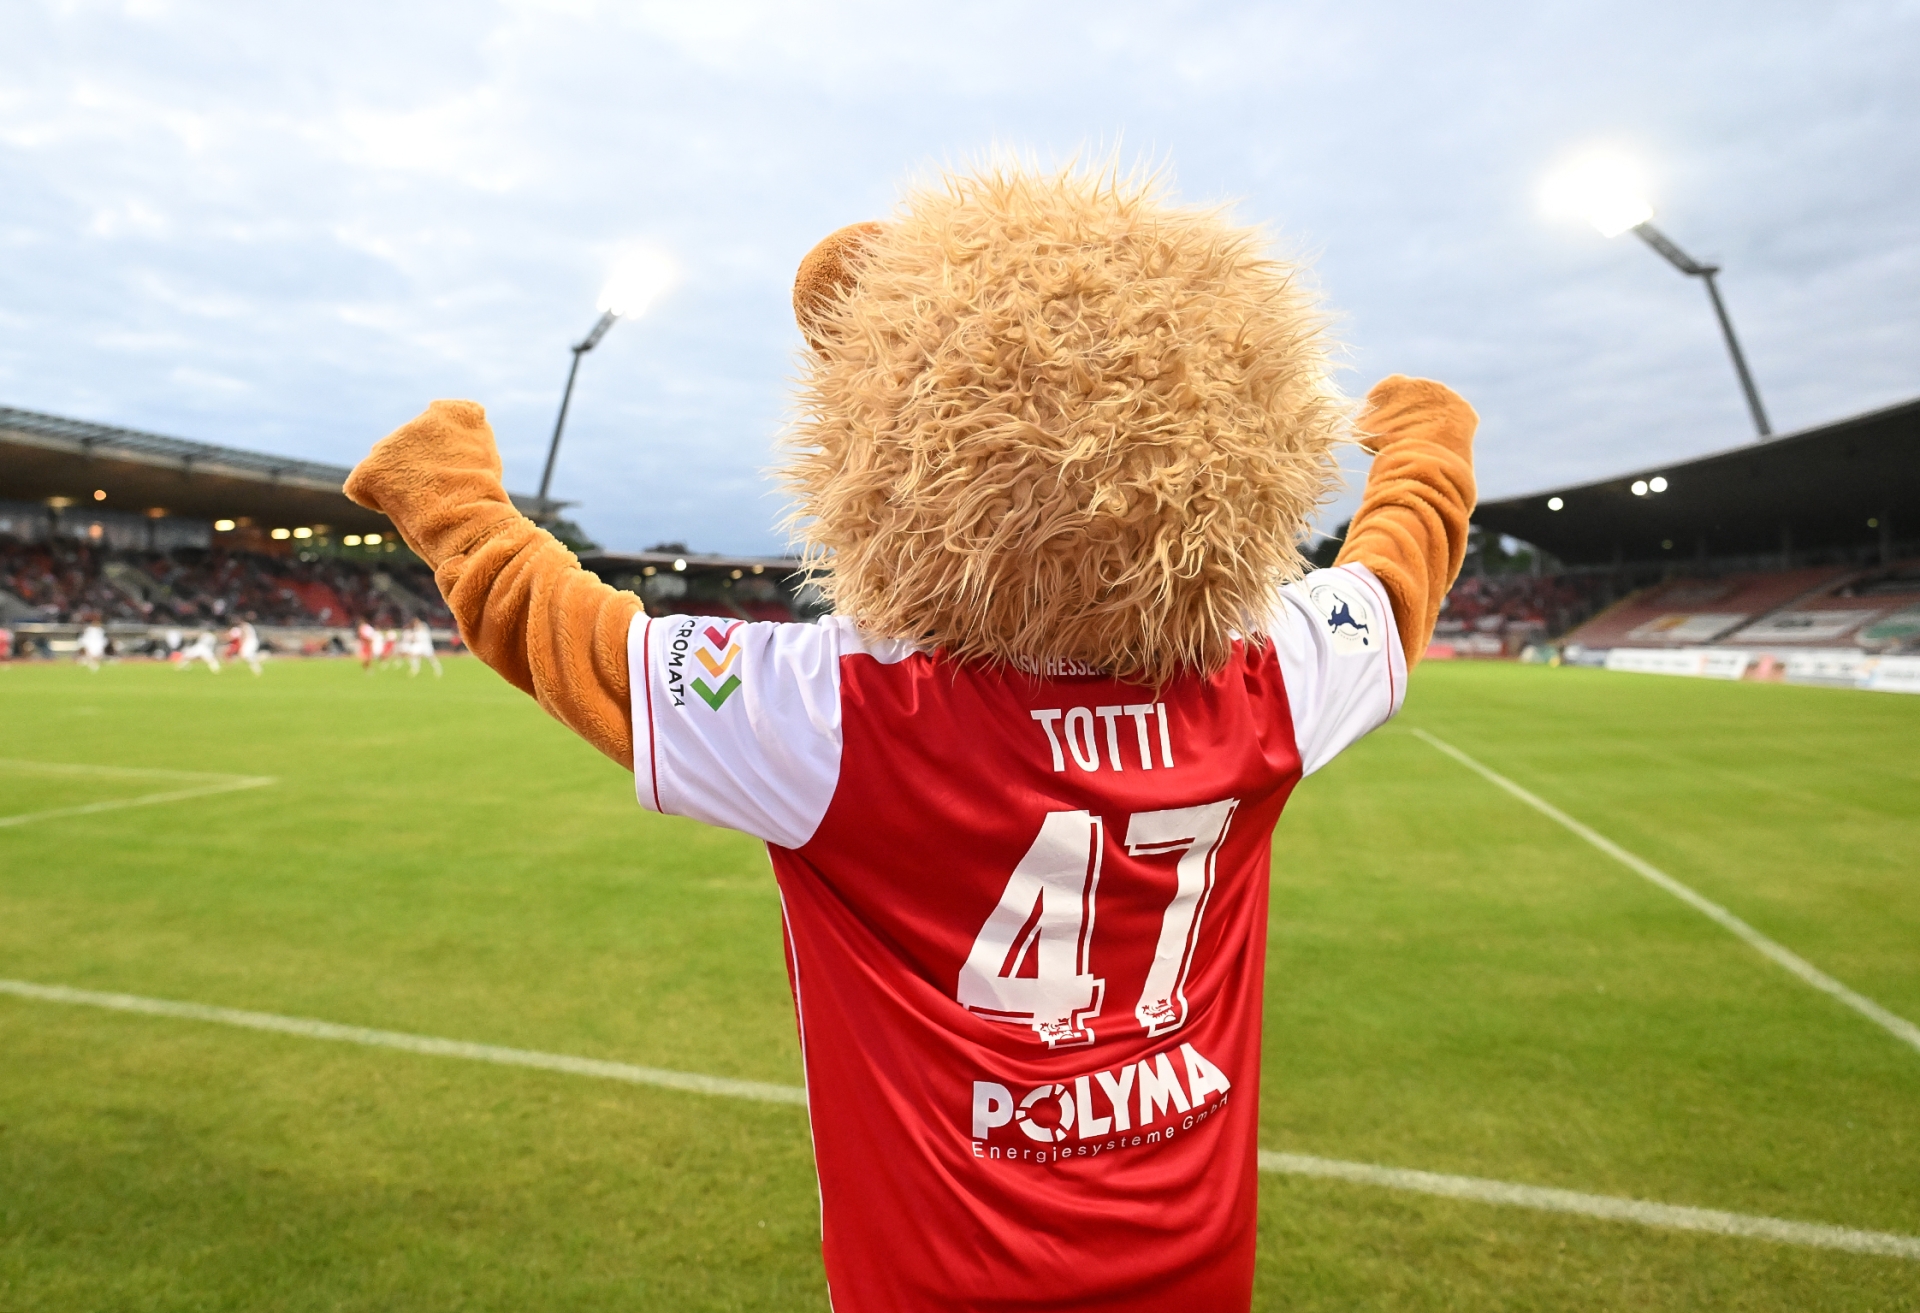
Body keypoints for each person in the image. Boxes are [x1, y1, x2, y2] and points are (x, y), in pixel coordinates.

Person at [345, 165, 1474, 1313]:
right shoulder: (1270, 680)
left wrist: (453, 503)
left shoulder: (847, 713)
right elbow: (1396, 577)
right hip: (1195, 1270)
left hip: (932, 1284)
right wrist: (1426, 447)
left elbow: (581, 646)